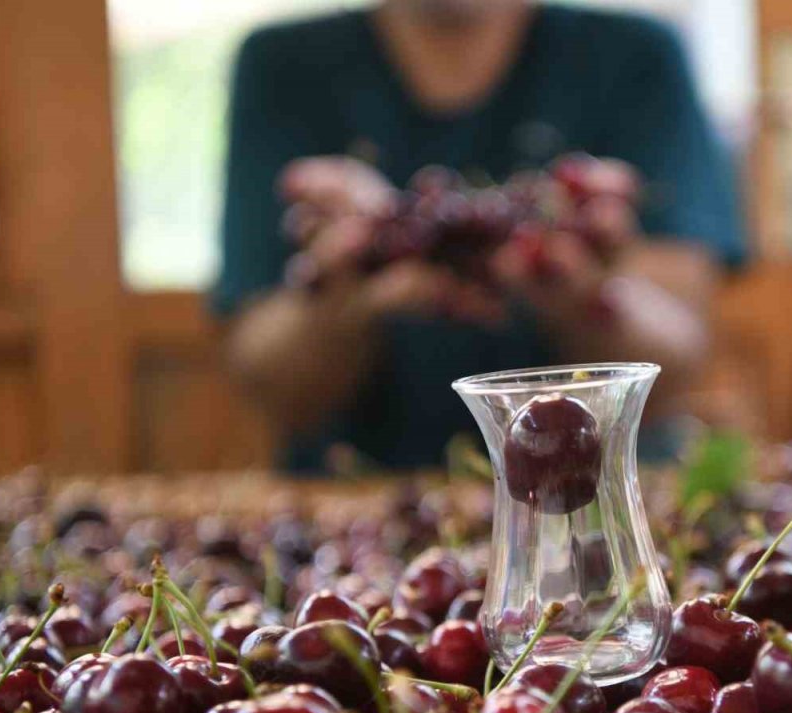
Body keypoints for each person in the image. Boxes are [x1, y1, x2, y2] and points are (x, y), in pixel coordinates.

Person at [214, 0, 745, 473]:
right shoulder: (283, 67)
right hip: (359, 493)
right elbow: (269, 384)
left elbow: (678, 358)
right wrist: (338, 303)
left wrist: (587, 296)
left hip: (585, 497)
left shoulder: (636, 56)